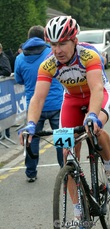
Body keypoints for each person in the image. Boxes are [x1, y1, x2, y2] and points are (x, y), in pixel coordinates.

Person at [18, 15, 110, 217]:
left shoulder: (89, 55)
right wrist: (30, 123)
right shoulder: (48, 64)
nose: (57, 50)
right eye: (53, 44)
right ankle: (78, 211)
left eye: (62, 44)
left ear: (74, 41)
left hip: (97, 94)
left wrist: (92, 115)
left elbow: (97, 88)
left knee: (95, 128)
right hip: (72, 101)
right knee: (67, 154)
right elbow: (37, 99)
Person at [15, 25, 64, 182]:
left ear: (28, 37)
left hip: (35, 106)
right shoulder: (52, 53)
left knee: (32, 139)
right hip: (56, 103)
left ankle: (31, 173)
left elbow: (18, 79)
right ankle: (66, 171)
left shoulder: (20, 58)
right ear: (45, 38)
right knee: (60, 138)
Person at [0, 43, 12, 138]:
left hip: (3, 88)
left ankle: (6, 133)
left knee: (4, 110)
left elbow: (7, 71)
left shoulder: (3, 58)